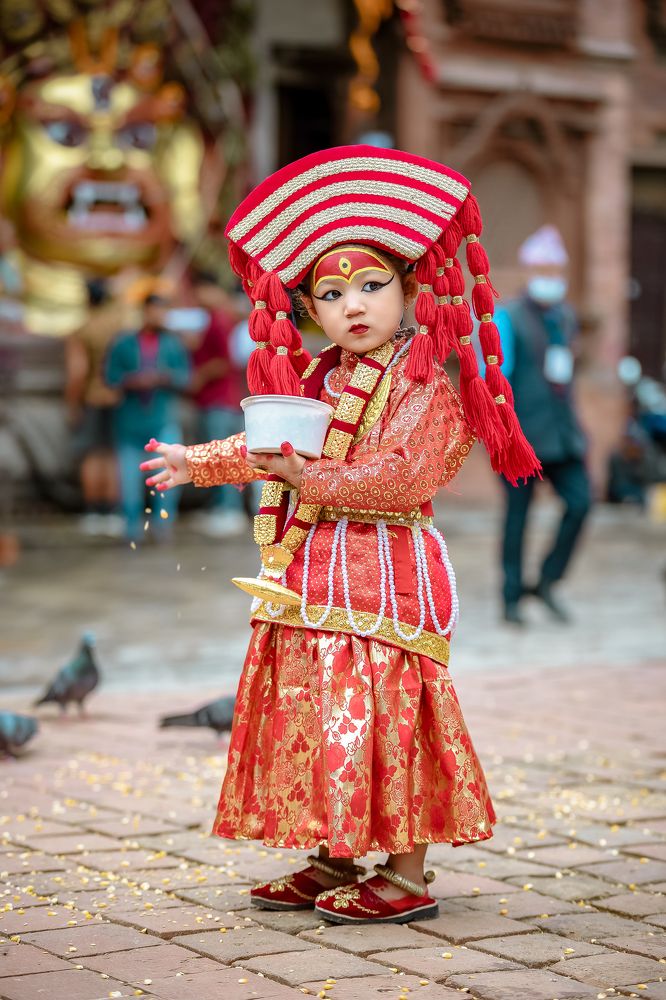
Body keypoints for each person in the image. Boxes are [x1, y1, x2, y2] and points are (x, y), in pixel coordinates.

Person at [140, 145, 540, 924]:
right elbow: (274, 448)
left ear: (409, 290)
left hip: (388, 585)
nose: (353, 305)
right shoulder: (320, 379)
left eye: (370, 285)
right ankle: (335, 854)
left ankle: (408, 875)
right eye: (331, 293)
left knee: (389, 718)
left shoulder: (425, 382)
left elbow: (405, 477)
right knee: (323, 715)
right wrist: (198, 462)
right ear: (309, 311)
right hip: (310, 581)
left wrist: (308, 477)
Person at [494, 226, 592, 626]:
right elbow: (494, 377)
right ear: (529, 270)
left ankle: (548, 581)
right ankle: (511, 596)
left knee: (581, 503)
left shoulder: (565, 316)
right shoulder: (508, 317)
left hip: (563, 434)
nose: (550, 276)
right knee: (518, 516)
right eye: (543, 269)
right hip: (521, 438)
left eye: (555, 270)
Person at [106, 293, 190, 542]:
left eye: (162, 312)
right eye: (154, 311)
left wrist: (164, 377)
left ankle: (163, 525)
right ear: (144, 312)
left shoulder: (173, 344)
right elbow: (110, 377)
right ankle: (131, 528)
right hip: (129, 423)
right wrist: (132, 381)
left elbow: (186, 378)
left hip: (162, 420)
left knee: (168, 476)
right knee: (129, 482)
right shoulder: (124, 343)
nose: (158, 316)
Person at [187, 273, 247, 537]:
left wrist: (200, 375)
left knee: (222, 457)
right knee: (221, 456)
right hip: (221, 399)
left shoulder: (219, 320)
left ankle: (229, 510)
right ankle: (221, 508)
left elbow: (224, 361)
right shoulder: (219, 319)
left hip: (219, 400)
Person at [65, 279, 126, 537]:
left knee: (92, 454)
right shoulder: (119, 327)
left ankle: (94, 510)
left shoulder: (83, 330)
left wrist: (72, 403)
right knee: (113, 454)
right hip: (118, 397)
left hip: (92, 397)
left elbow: (77, 372)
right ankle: (112, 511)